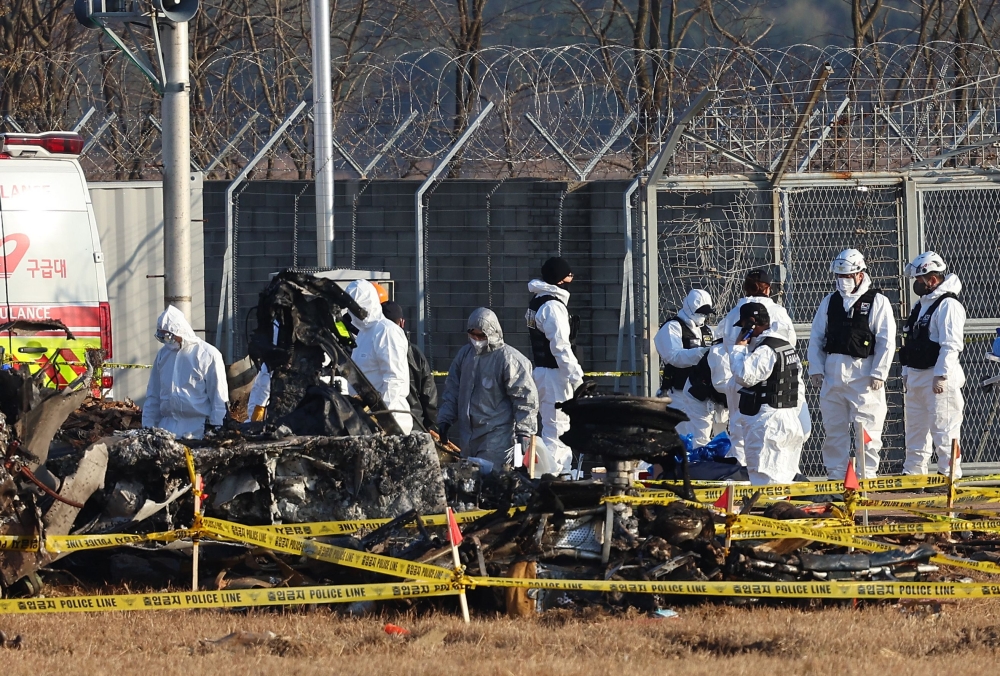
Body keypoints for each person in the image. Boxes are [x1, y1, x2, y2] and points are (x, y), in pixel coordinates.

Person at [808, 249, 895, 480]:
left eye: (847, 276)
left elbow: (886, 341)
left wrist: (879, 373)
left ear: (859, 274)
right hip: (833, 374)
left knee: (866, 430)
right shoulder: (830, 301)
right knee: (834, 430)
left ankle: (866, 477)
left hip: (864, 376)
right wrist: (816, 368)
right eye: (839, 276)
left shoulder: (878, 301)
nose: (842, 281)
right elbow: (816, 336)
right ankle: (836, 478)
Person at [438, 308, 539, 468]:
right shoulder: (465, 355)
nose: (476, 339)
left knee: (493, 482)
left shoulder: (509, 360)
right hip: (468, 438)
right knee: (471, 483)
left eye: (481, 335)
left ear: (492, 333)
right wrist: (445, 419)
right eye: (473, 334)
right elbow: (453, 390)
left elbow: (525, 398)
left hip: (497, 438)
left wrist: (524, 432)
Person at [719, 269, 796, 464]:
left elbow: (728, 343)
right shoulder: (777, 312)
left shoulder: (733, 313)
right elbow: (788, 344)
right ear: (768, 289)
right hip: (768, 382)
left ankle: (740, 475)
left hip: (737, 374)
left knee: (738, 428)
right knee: (768, 437)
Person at [900, 251, 966, 479]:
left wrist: (941, 375)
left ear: (932, 279)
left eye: (919, 280)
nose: (917, 285)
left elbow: (951, 344)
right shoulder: (922, 305)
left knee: (945, 430)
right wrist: (906, 370)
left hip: (938, 380)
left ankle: (949, 477)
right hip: (918, 377)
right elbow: (911, 340)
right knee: (915, 431)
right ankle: (913, 475)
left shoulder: (948, 305)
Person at [730, 303, 808, 485]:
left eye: (744, 327)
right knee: (783, 476)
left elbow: (744, 376)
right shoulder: (785, 345)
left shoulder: (765, 350)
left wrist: (739, 348)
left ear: (751, 324)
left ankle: (768, 512)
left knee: (763, 474)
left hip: (767, 423)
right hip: (787, 417)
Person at [526, 257, 583, 473]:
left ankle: (558, 474)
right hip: (554, 375)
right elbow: (561, 348)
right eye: (568, 275)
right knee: (558, 431)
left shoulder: (538, 301)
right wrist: (578, 378)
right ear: (559, 279)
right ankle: (556, 478)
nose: (571, 278)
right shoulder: (552, 306)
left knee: (555, 428)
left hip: (545, 373)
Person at [142, 305, 229, 439]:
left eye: (168, 336)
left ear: (179, 331)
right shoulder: (163, 355)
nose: (166, 341)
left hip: (197, 430)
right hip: (167, 430)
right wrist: (148, 427)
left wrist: (216, 429)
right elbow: (153, 394)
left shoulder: (207, 355)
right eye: (161, 336)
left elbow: (218, 397)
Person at [653, 289, 724, 447]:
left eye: (706, 313)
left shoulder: (706, 331)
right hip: (678, 393)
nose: (703, 316)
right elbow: (673, 356)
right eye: (700, 312)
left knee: (701, 437)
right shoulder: (673, 327)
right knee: (682, 436)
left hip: (701, 392)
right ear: (690, 308)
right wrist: (702, 353)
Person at [344, 279, 412, 434]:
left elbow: (395, 379)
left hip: (390, 422)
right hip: (366, 419)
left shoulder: (386, 331)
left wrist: (381, 416)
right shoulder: (363, 334)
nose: (353, 313)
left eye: (356, 308)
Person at [381, 301, 438, 433]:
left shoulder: (369, 351)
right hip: (414, 423)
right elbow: (428, 393)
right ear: (402, 322)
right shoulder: (414, 354)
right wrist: (430, 424)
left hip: (379, 422)